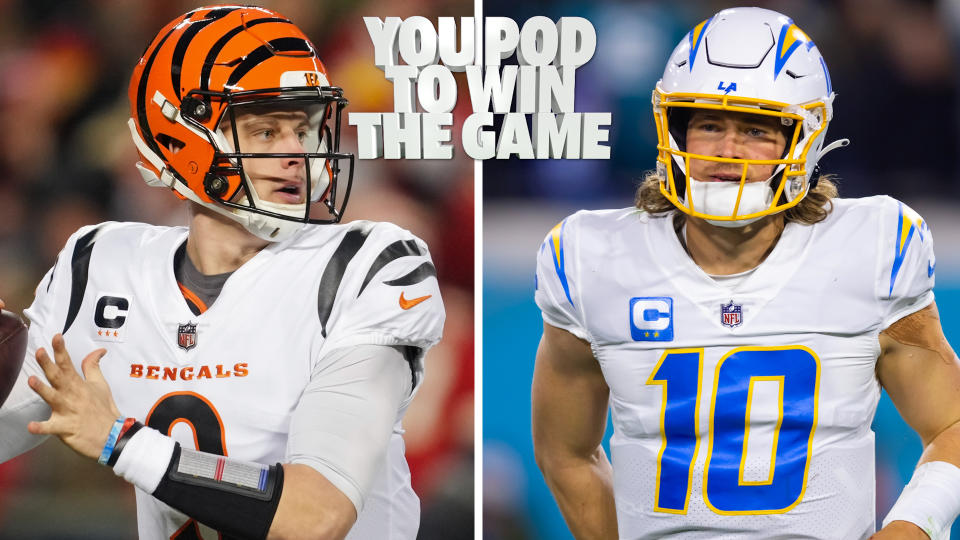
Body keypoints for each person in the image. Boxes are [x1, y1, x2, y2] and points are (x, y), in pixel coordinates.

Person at [0, 5, 444, 539]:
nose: (296, 153)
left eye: (303, 127)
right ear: (179, 137)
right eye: (265, 130)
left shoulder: (365, 267)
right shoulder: (100, 264)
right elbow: (14, 422)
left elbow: (315, 516)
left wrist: (120, 441)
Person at [532, 7, 960, 539]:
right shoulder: (593, 258)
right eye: (708, 124)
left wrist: (913, 527)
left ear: (803, 139)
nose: (727, 151)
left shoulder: (871, 250)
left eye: (756, 129)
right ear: (673, 128)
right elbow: (565, 451)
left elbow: (952, 425)